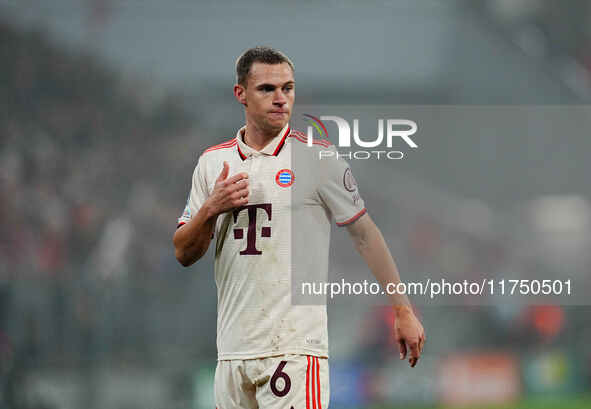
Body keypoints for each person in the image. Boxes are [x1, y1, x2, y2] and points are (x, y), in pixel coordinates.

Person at [173, 46, 425, 409]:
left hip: (292, 349)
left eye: (287, 89)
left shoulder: (317, 157)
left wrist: (402, 310)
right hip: (232, 353)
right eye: (267, 89)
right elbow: (183, 251)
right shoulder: (212, 163)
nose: (280, 99)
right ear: (240, 93)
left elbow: (365, 234)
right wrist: (212, 207)